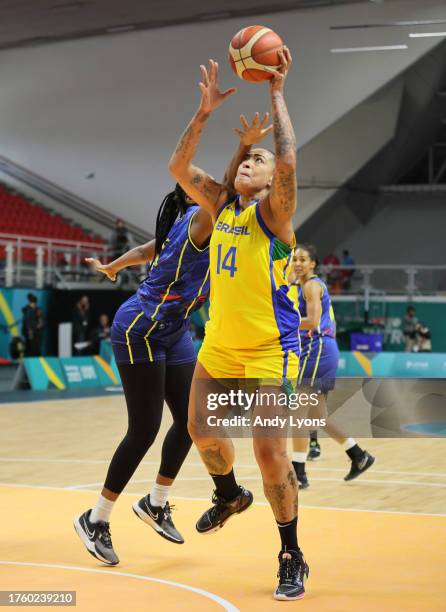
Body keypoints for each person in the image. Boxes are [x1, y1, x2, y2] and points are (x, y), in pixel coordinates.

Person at [73, 116, 269, 566]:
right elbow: (222, 190)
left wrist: (114, 266)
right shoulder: (203, 219)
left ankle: (156, 503)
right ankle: (96, 518)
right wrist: (242, 146)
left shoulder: (188, 221)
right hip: (141, 326)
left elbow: (149, 250)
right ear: (197, 197)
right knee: (143, 428)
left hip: (175, 328)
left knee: (192, 421)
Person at [169, 51, 309, 601]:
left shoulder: (273, 217)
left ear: (274, 181)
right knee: (202, 436)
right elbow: (179, 169)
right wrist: (204, 113)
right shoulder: (223, 206)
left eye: (261, 159)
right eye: (246, 157)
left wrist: (277, 91)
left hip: (272, 352)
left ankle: (291, 552)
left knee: (271, 454)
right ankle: (228, 495)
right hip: (221, 349)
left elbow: (289, 162)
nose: (252, 160)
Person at [288, 245, 375, 487]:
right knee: (317, 416)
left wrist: (283, 324)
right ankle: (358, 456)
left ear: (313, 264)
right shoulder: (304, 286)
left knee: (299, 415)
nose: (297, 263)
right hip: (322, 350)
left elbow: (313, 322)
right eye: (294, 259)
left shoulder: (311, 286)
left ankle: (299, 474)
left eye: (302, 259)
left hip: (317, 350)